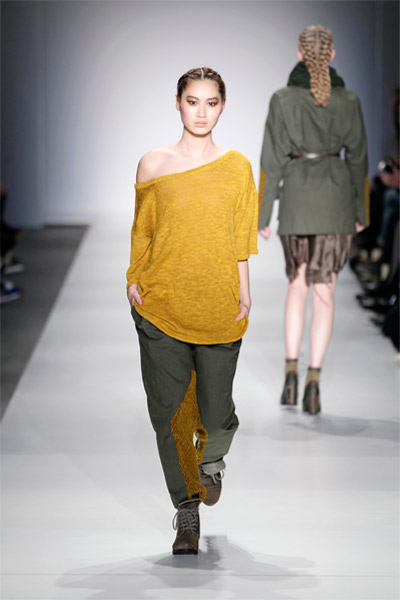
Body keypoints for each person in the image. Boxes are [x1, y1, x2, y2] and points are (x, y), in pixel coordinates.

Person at [126, 67, 258, 555]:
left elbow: (241, 239)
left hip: (218, 302)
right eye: (193, 101)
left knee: (216, 415)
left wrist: (244, 292)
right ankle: (187, 511)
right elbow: (143, 230)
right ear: (178, 103)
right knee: (171, 414)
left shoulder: (238, 167)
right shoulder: (152, 164)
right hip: (161, 304)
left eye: (211, 102)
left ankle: (212, 460)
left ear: (222, 106)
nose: (201, 112)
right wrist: (133, 278)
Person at [258, 25, 369, 415]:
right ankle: (314, 383)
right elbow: (359, 160)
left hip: (297, 200)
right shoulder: (349, 100)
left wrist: (263, 214)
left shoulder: (282, 99)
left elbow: (271, 161)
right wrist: (361, 212)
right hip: (335, 202)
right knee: (326, 290)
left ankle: (290, 375)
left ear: (300, 55)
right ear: (333, 55)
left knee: (298, 285)